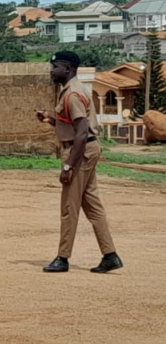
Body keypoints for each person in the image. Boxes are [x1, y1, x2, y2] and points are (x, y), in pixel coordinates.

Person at [36, 52, 121, 274]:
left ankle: (63, 258)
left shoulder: (72, 94)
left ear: (68, 69)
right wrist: (49, 118)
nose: (52, 71)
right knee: (92, 205)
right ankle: (110, 255)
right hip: (86, 149)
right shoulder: (74, 90)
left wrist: (68, 166)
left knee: (69, 207)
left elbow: (81, 133)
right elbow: (74, 127)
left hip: (78, 151)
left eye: (55, 66)